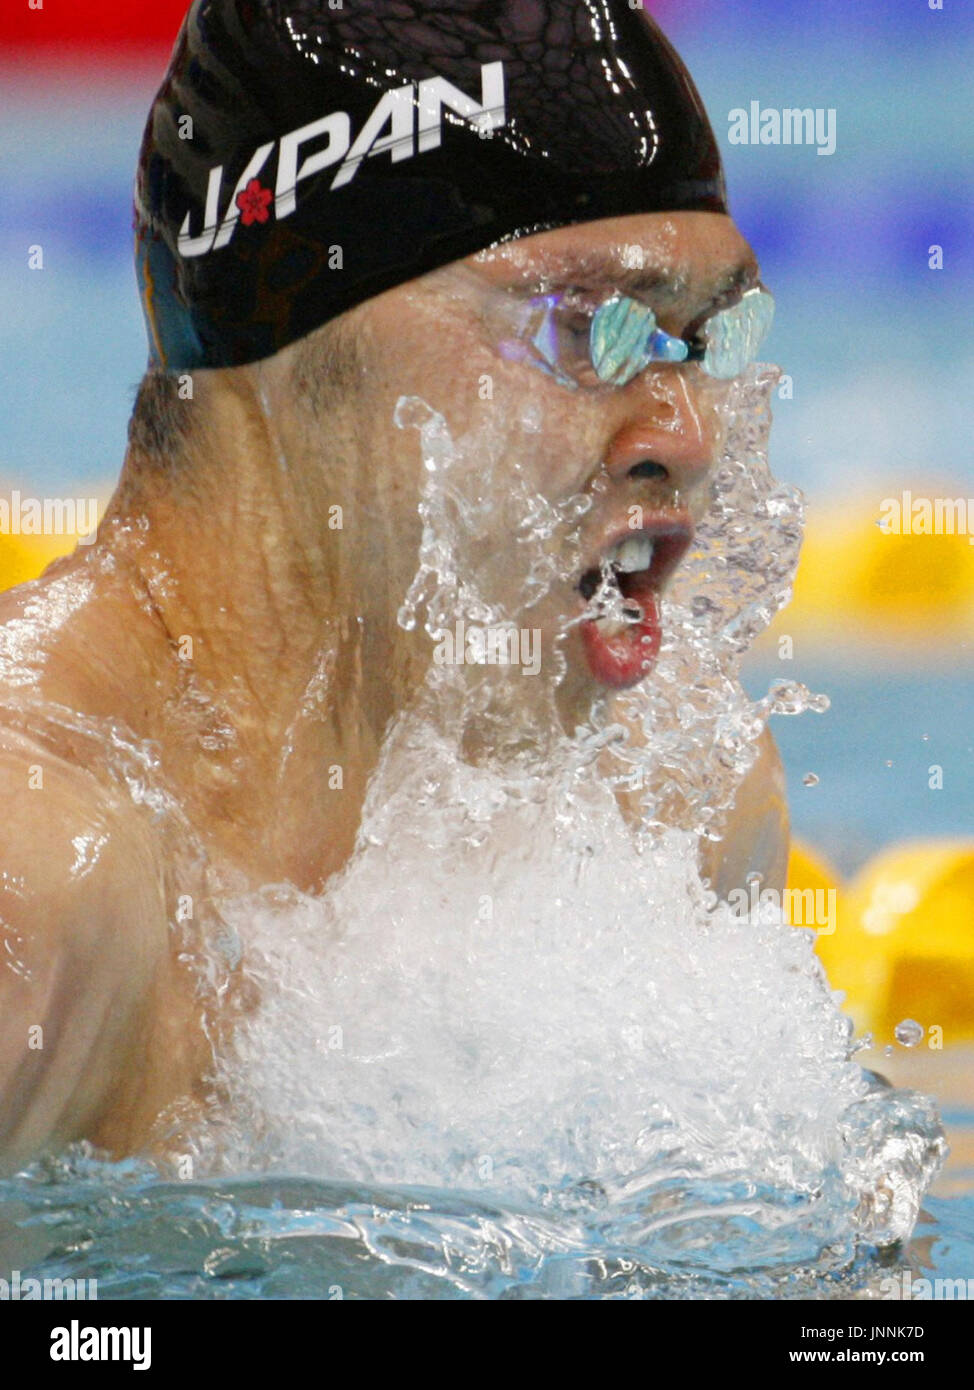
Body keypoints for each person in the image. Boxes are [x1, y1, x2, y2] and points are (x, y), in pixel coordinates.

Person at [0, 0, 787, 1166]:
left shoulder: (664, 814)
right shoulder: (43, 874)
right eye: (588, 330)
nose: (683, 430)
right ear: (294, 339)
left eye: (698, 335)